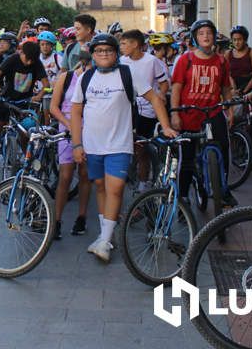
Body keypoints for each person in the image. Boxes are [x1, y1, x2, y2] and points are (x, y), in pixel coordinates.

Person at [70, 33, 176, 262]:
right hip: (92, 144)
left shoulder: (128, 74)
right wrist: (77, 144)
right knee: (100, 186)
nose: (104, 54)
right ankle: (105, 235)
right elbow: (76, 111)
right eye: (99, 51)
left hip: (120, 143)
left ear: (116, 53)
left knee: (115, 188)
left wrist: (165, 126)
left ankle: (105, 241)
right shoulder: (85, 78)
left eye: (109, 50)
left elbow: (156, 99)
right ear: (93, 54)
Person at [170, 19, 237, 206]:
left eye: (209, 33)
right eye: (201, 33)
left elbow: (225, 89)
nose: (206, 36)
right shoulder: (186, 60)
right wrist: (175, 113)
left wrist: (229, 109)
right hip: (189, 113)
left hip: (213, 112)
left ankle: (223, 189)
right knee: (187, 158)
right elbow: (176, 87)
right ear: (195, 38)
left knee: (223, 147)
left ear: (214, 36)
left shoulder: (221, 61)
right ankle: (183, 197)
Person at [0, 40, 50, 180]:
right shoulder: (12, 59)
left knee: (26, 135)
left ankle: (29, 167)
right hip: (6, 101)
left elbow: (46, 85)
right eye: (27, 59)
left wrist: (39, 95)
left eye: (32, 60)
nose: (29, 63)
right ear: (21, 53)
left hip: (24, 105)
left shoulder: (36, 62)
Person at [48, 50, 93, 239]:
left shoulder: (97, 79)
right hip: (66, 130)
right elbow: (53, 106)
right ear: (82, 64)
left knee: (85, 174)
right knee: (65, 175)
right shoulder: (65, 78)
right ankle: (56, 220)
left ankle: (81, 217)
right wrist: (68, 125)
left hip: (90, 131)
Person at [119, 30, 170, 189]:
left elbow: (164, 83)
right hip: (128, 110)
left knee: (142, 148)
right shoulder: (121, 61)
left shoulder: (152, 61)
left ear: (135, 44)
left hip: (148, 110)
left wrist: (161, 94)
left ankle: (143, 183)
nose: (121, 47)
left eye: (124, 43)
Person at [226, 26, 252, 96]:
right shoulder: (228, 53)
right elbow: (227, 73)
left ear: (245, 40)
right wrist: (233, 88)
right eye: (234, 40)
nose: (236, 42)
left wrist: (246, 90)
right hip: (233, 87)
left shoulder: (251, 52)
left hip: (249, 87)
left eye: (239, 39)